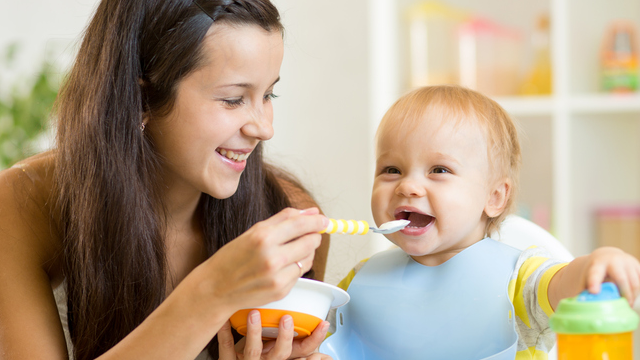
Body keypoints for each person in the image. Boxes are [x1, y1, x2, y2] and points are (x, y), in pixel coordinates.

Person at [0, 1, 334, 359]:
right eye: (233, 99)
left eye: (268, 95)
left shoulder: (287, 214)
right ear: (142, 98)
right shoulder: (23, 205)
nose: (264, 129)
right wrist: (213, 291)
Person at [320, 85, 640, 360]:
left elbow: (564, 286)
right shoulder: (360, 280)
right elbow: (321, 339)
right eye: (391, 170)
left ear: (495, 197)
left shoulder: (519, 279)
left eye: (439, 170)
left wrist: (594, 266)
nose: (408, 186)